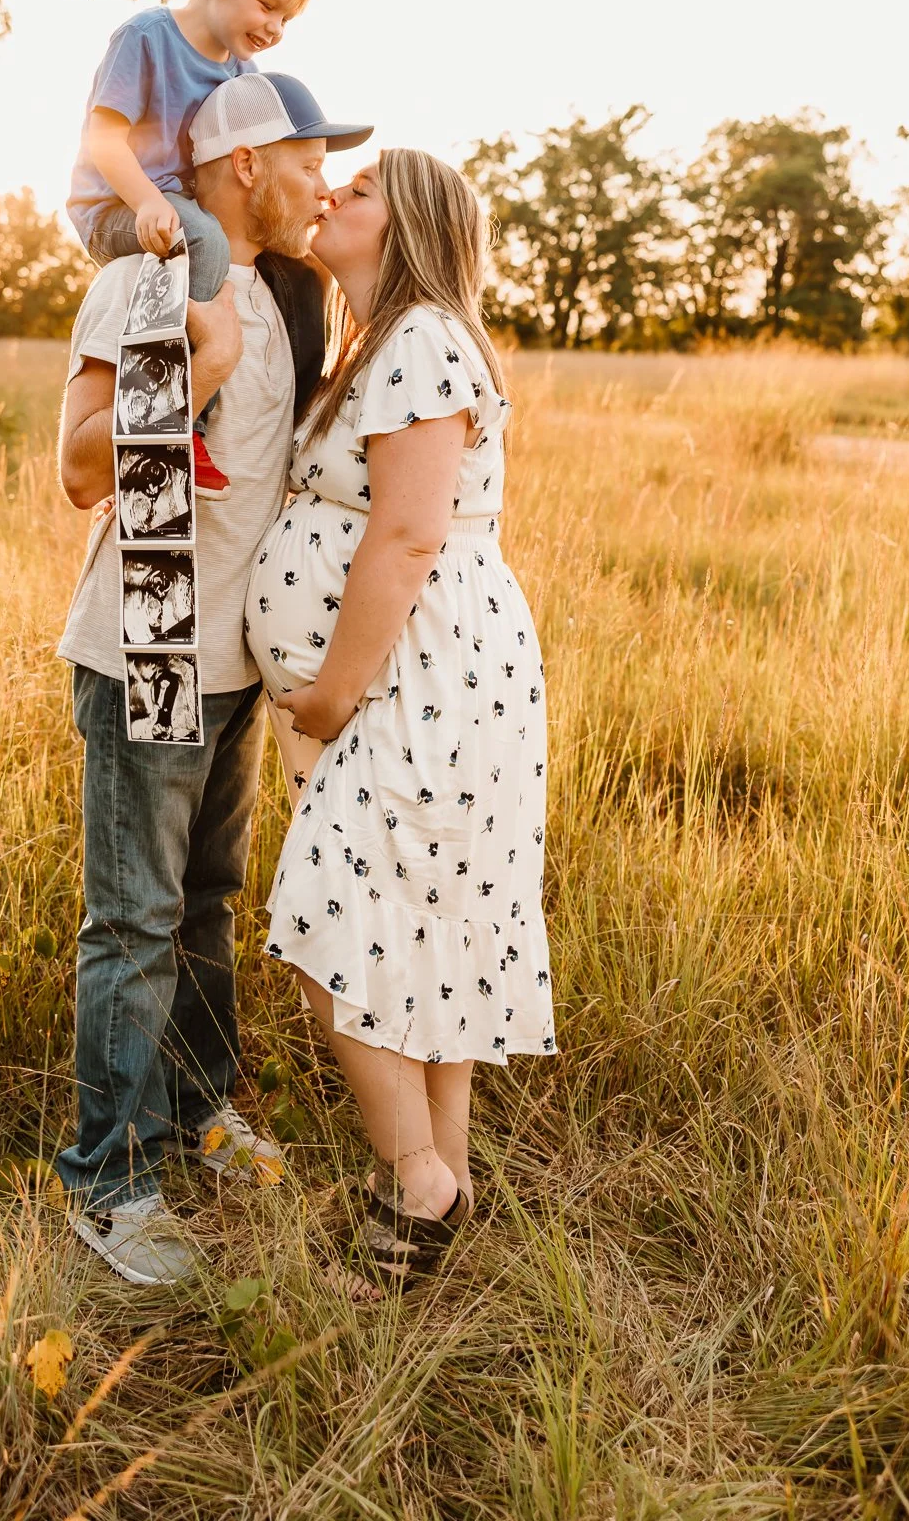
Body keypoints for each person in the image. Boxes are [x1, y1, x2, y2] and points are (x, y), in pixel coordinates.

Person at [55, 70, 371, 1286]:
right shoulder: (151, 279)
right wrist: (201, 361)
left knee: (206, 903)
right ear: (245, 163)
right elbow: (86, 472)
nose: (322, 181)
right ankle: (110, 1178)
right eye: (308, 159)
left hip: (236, 651)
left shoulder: (295, 293)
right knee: (133, 919)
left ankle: (194, 1111)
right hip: (152, 630)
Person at [245, 148, 556, 1290]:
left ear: (410, 224)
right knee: (422, 921)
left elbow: (409, 535)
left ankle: (417, 1176)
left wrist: (327, 692)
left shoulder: (422, 338)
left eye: (361, 187)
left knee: (335, 914)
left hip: (418, 677)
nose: (332, 194)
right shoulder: (380, 343)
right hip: (425, 671)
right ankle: (444, 1186)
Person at [67, 0, 315, 497]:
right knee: (200, 238)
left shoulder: (241, 72)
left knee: (294, 272)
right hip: (115, 206)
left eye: (289, 17)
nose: (276, 27)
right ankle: (186, 428)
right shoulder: (146, 37)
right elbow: (104, 139)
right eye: (268, 5)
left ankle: (305, 418)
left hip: (181, 208)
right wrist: (147, 201)